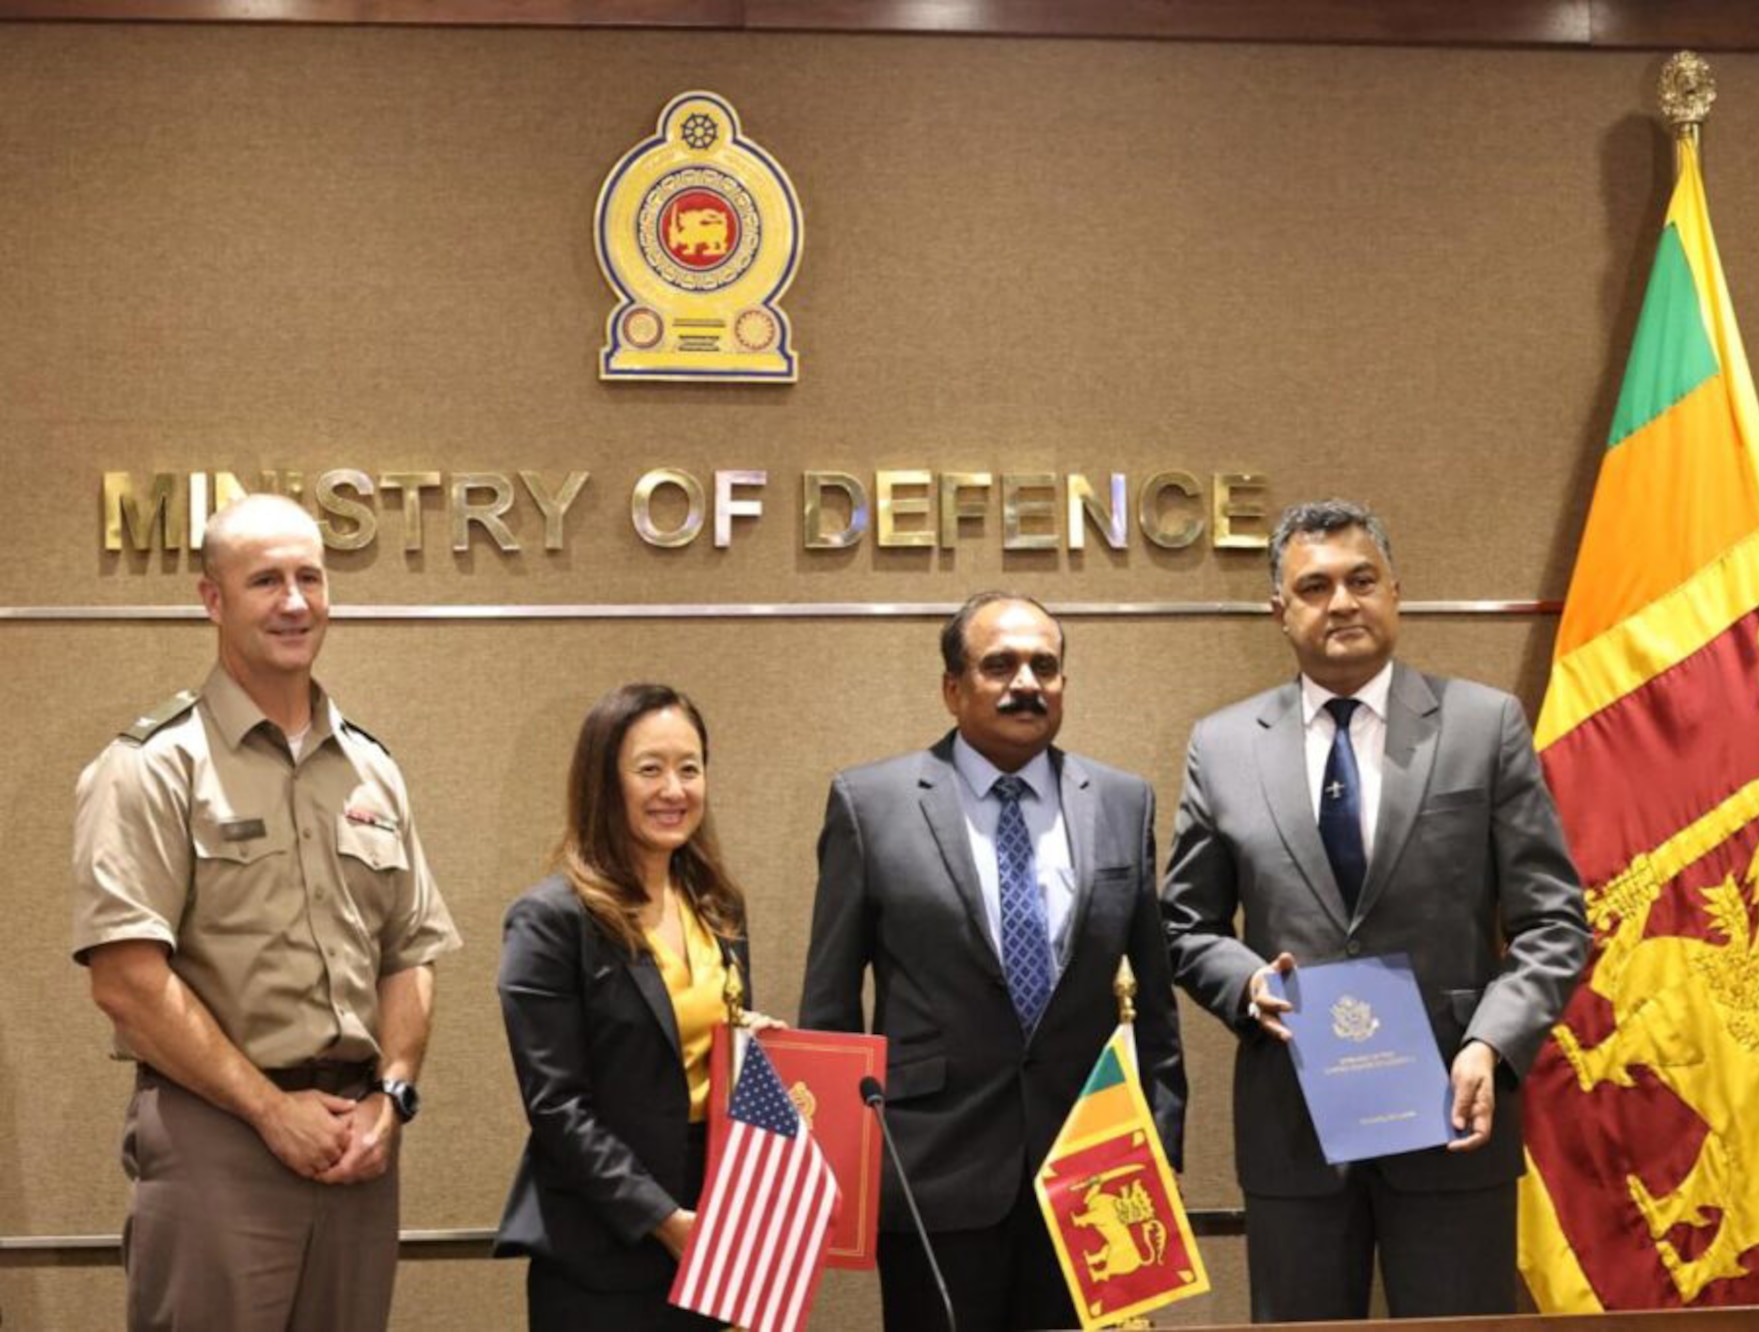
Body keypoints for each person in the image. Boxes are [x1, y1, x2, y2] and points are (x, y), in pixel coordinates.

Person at [1161, 498, 1588, 1321]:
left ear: (1396, 590)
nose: (1343, 602)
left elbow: (1552, 921)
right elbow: (1187, 925)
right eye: (1314, 587)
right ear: (1279, 612)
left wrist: (1491, 1046)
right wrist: (1248, 987)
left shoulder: (1483, 724)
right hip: (1295, 1125)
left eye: (1362, 580)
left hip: (1455, 1114)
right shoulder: (1222, 746)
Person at [72, 493, 461, 1332]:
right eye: (265, 581)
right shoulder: (150, 767)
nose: (294, 602)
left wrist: (392, 1098)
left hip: (359, 1145)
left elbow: (409, 953)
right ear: (213, 599)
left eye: (310, 578)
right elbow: (128, 983)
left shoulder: (371, 770)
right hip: (219, 1141)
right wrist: (267, 1109)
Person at [799, 591, 1186, 1332]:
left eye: (1046, 666)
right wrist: (844, 1164)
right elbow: (831, 1009)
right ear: (953, 687)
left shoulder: (1121, 800)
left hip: (1094, 1175)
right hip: (931, 1175)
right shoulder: (870, 803)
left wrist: (1161, 1144)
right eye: (1000, 664)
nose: (1026, 683)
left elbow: (1156, 1004)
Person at [495, 682, 782, 1330]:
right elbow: (557, 1108)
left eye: (690, 768)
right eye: (650, 769)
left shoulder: (719, 906)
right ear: (605, 781)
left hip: (716, 1226)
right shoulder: (550, 921)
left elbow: (712, 1053)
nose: (674, 790)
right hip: (604, 1247)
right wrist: (662, 1220)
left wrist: (755, 1046)